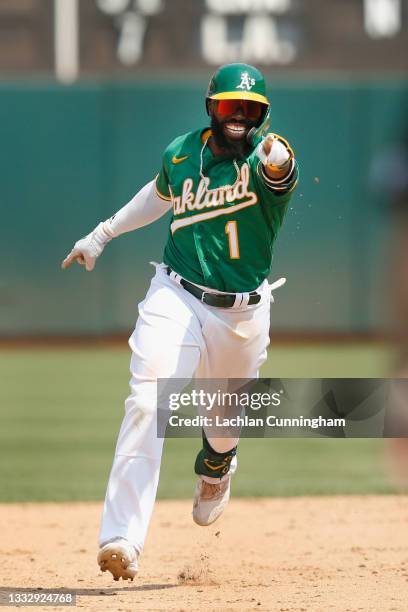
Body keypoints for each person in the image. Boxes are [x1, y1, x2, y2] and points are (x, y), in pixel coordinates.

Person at [62, 63, 299, 581]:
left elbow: (282, 173)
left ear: (262, 116)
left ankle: (217, 464)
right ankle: (122, 537)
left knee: (224, 423)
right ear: (211, 106)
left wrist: (279, 161)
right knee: (148, 399)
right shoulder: (181, 151)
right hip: (177, 292)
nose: (238, 117)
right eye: (229, 105)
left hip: (243, 313)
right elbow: (158, 195)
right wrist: (102, 234)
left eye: (249, 109)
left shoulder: (266, 161)